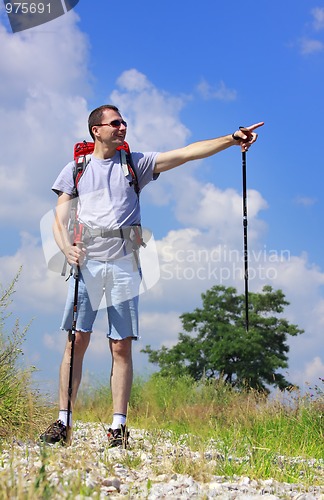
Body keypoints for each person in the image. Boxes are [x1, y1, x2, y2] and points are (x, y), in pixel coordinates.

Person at [40, 104, 263, 447]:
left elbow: (187, 153)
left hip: (124, 263)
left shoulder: (135, 164)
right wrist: (65, 248)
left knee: (121, 346)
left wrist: (232, 140)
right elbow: (60, 217)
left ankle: (117, 428)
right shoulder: (76, 168)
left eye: (124, 121)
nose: (122, 127)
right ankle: (63, 421)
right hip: (86, 263)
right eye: (114, 123)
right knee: (75, 340)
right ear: (96, 130)